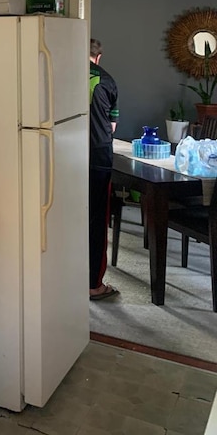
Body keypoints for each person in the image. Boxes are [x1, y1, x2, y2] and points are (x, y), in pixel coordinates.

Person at [89, 38, 120, 301]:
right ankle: (93, 284)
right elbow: (111, 127)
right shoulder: (107, 80)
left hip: (65, 154)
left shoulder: (62, 71)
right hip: (98, 156)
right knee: (97, 218)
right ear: (98, 57)